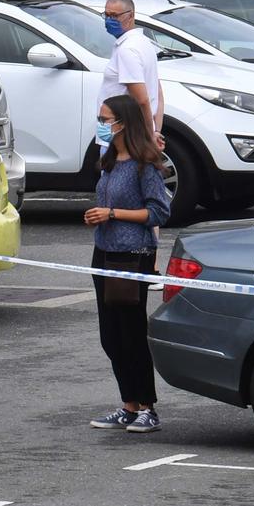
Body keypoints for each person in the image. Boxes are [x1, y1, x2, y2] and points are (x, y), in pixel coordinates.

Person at [83, 92, 172, 435]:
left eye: (105, 120)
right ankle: (128, 405)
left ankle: (147, 407)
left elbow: (160, 212)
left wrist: (114, 213)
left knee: (131, 332)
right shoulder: (108, 158)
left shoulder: (144, 164)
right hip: (104, 252)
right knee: (111, 335)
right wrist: (97, 217)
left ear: (123, 122)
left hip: (132, 255)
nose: (101, 125)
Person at [98, 0, 163, 149]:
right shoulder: (143, 43)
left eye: (114, 16)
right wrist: (155, 131)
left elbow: (142, 99)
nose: (109, 20)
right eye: (106, 15)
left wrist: (149, 137)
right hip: (129, 136)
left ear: (131, 15)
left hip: (122, 138)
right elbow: (158, 93)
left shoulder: (127, 50)